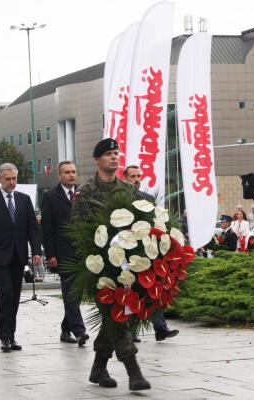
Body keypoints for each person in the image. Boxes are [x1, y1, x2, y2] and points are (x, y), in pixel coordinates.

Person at [72, 138, 150, 391]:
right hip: (99, 268)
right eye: (108, 154)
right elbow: (80, 233)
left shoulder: (128, 191)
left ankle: (98, 368)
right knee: (116, 316)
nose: (114, 158)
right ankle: (134, 371)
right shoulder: (85, 192)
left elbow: (139, 225)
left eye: (116, 153)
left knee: (112, 318)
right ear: (97, 160)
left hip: (127, 266)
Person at [0, 163, 41, 353]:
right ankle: (4, 336)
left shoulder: (24, 199)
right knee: (4, 293)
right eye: (8, 179)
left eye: (14, 178)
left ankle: (11, 336)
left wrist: (36, 251)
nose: (12, 182)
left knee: (14, 297)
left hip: (19, 255)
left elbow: (32, 227)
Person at [122, 165, 179, 342]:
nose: (137, 179)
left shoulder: (147, 198)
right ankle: (130, 331)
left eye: (139, 176)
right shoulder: (120, 199)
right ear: (125, 178)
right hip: (127, 248)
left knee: (154, 287)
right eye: (133, 176)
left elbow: (155, 220)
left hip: (148, 248)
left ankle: (160, 328)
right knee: (131, 290)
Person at [41, 161, 89, 346]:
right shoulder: (51, 196)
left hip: (83, 253)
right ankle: (79, 331)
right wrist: (50, 255)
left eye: (74, 172)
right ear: (59, 175)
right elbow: (47, 228)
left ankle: (65, 328)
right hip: (63, 254)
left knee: (76, 295)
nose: (71, 175)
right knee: (70, 293)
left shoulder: (82, 194)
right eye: (67, 172)